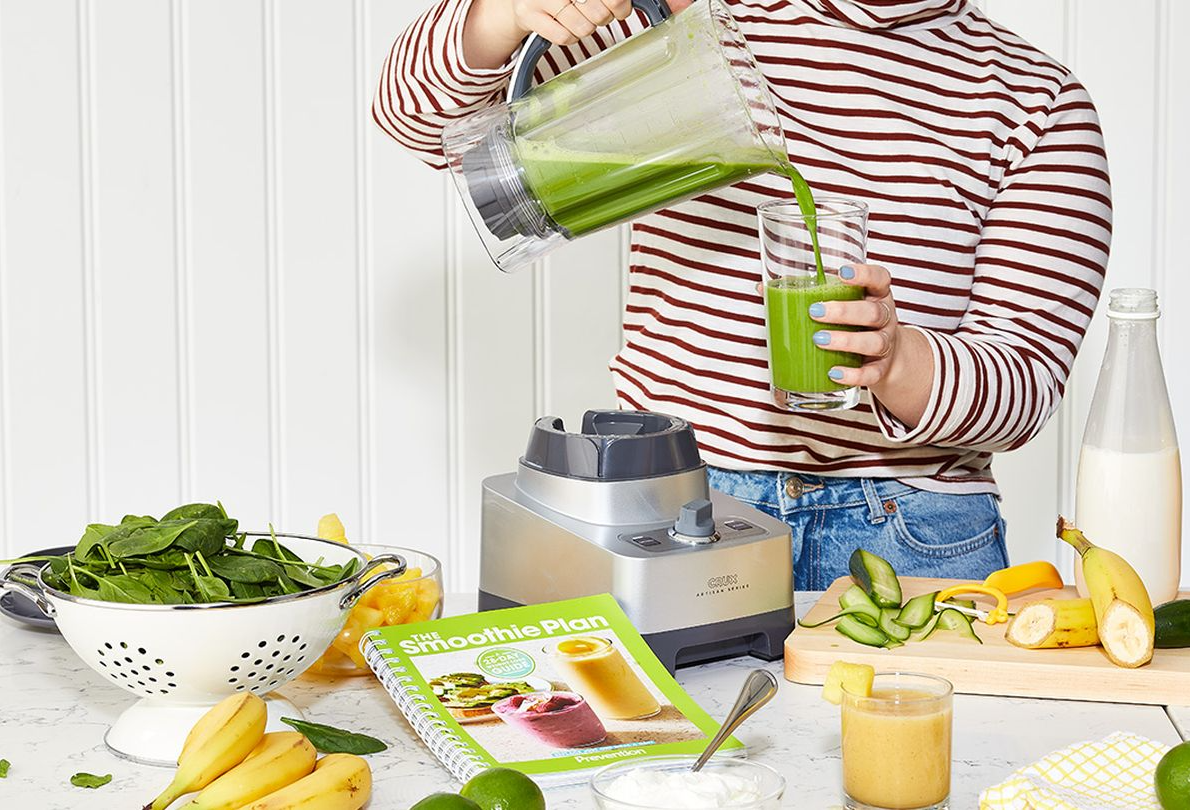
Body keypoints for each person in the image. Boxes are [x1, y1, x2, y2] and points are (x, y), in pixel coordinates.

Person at [374, 0, 1111, 589]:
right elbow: (421, 123)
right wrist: (498, 16)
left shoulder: (1038, 103)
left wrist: (896, 360)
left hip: (915, 530)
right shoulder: (697, 24)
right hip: (675, 503)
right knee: (658, 771)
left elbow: (1028, 386)